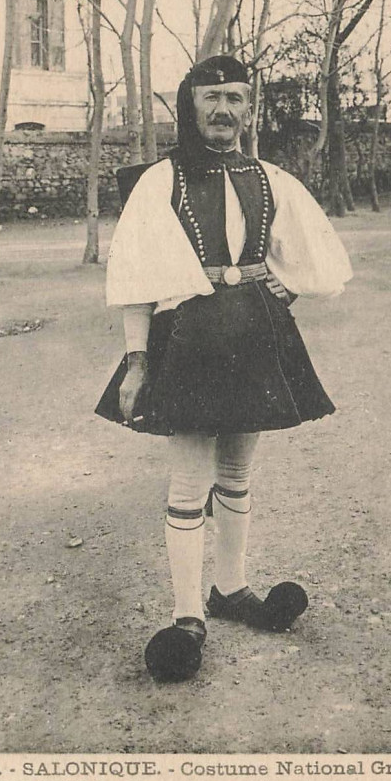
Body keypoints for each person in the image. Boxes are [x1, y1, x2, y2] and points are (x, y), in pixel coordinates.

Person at [96, 55, 352, 682]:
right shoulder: (161, 181)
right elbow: (135, 278)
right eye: (212, 98)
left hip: (253, 336)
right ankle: (188, 616)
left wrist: (286, 285)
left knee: (237, 473)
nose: (223, 110)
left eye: (235, 98)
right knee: (189, 485)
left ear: (248, 109)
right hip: (189, 340)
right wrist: (136, 361)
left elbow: (318, 252)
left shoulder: (270, 178)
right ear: (191, 106)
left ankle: (231, 590)